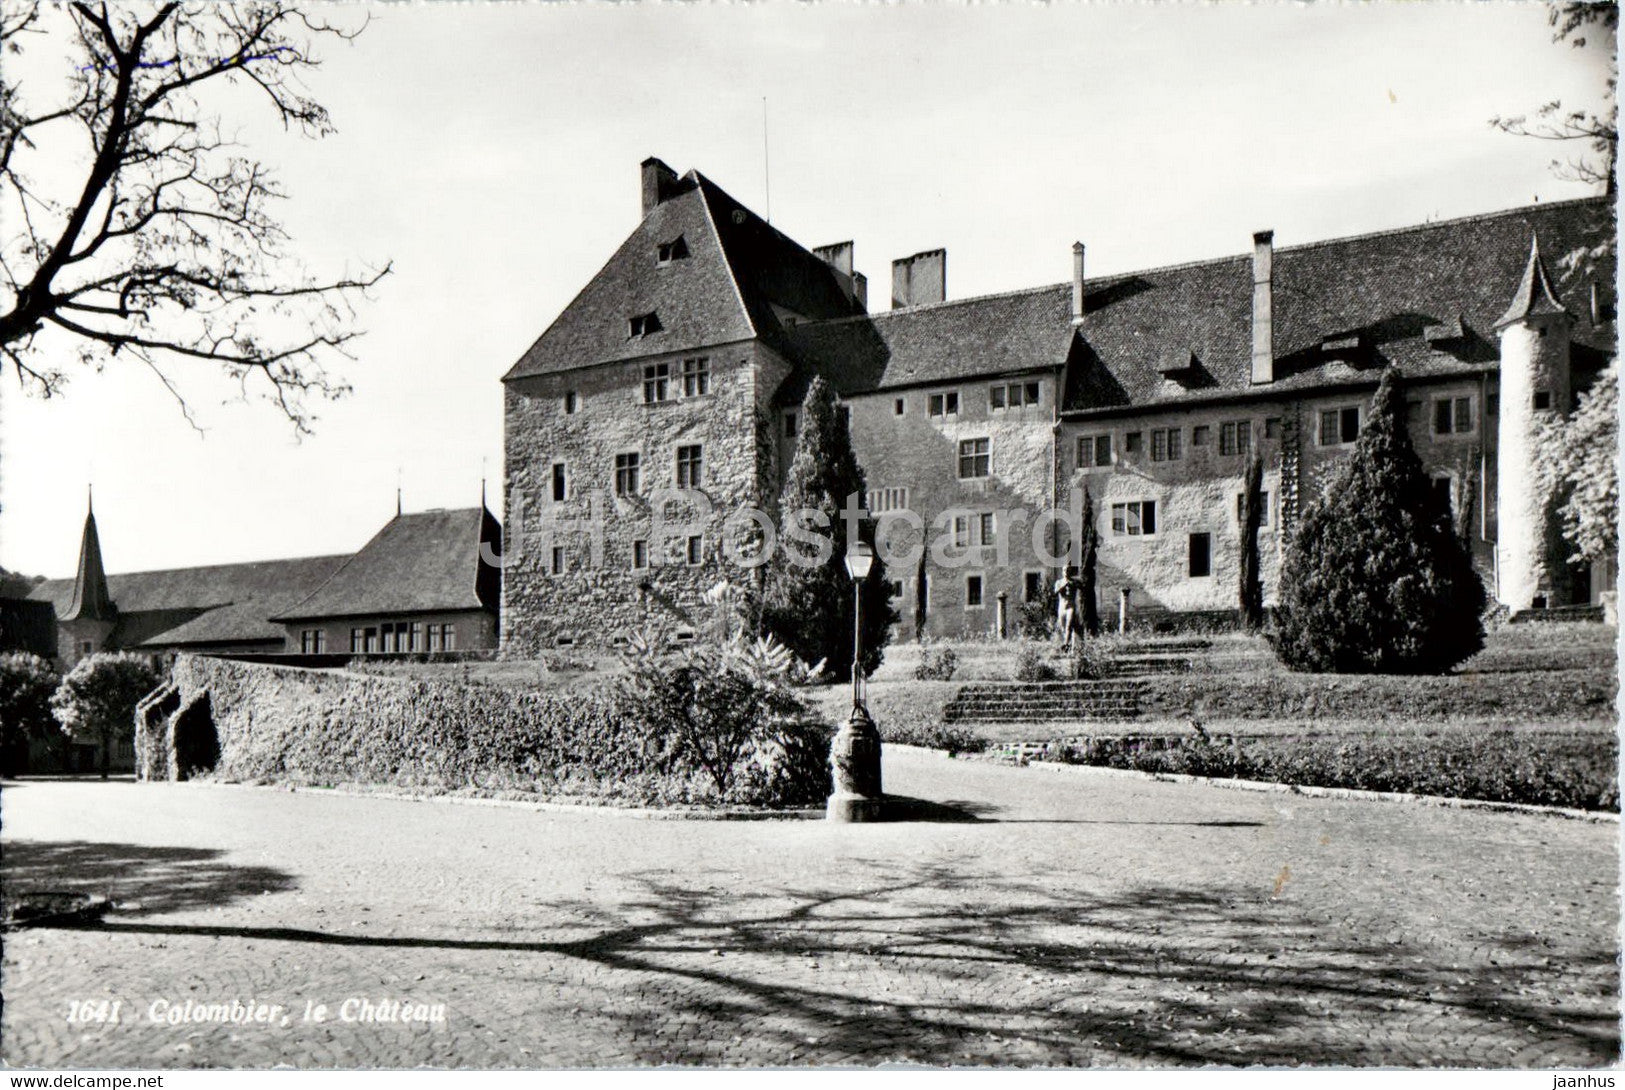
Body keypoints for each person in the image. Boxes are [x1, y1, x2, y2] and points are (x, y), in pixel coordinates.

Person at [1053, 567, 1081, 651]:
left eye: (1068, 570)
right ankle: (1069, 646)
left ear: (1071, 572)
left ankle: (1066, 644)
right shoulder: (1059, 582)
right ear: (1062, 572)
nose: (1066, 572)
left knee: (1069, 625)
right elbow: (1056, 592)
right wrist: (1064, 585)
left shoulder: (1074, 582)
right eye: (1065, 570)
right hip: (1062, 607)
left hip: (1071, 606)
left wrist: (1073, 584)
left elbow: (1082, 586)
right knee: (1063, 628)